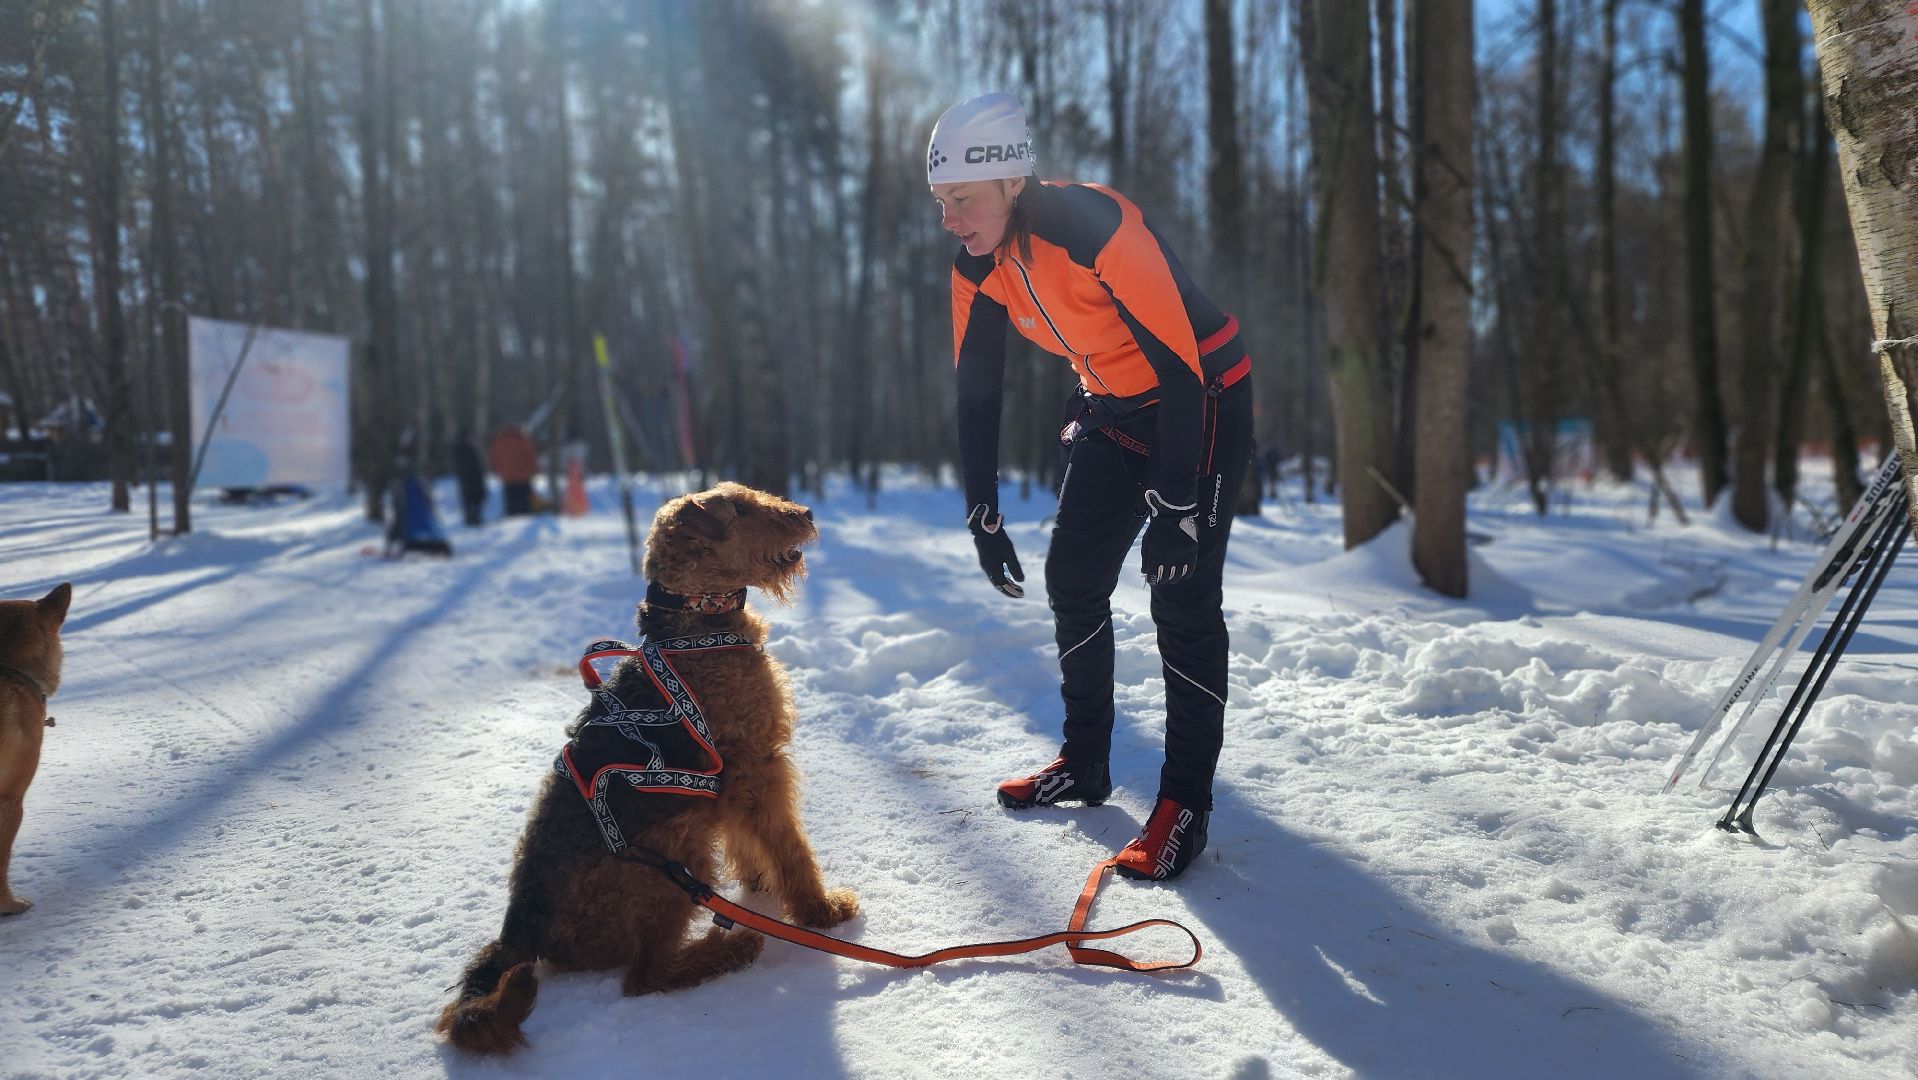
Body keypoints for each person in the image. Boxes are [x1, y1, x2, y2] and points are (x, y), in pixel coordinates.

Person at [931, 92, 1254, 882]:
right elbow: (977, 392)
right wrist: (982, 508)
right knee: (1072, 579)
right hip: (1112, 406)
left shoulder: (1092, 226)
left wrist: (1178, 503)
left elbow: (1180, 368)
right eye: (940, 203)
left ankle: (1184, 805)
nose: (950, 220)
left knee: (1179, 595)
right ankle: (1085, 763)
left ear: (1011, 182)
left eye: (962, 201)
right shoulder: (979, 264)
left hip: (1200, 396)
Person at [488, 424, 537, 517]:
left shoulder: (499, 440)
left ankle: (511, 518)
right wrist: (534, 470)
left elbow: (494, 458)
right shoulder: (523, 439)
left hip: (507, 477)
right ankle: (525, 516)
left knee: (511, 502)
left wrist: (496, 470)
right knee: (525, 503)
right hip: (523, 476)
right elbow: (531, 456)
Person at [451, 430, 487, 527]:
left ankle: (471, 518)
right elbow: (475, 464)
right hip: (472, 478)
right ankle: (474, 518)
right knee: (474, 499)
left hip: (466, 479)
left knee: (470, 499)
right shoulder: (468, 449)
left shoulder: (458, 450)